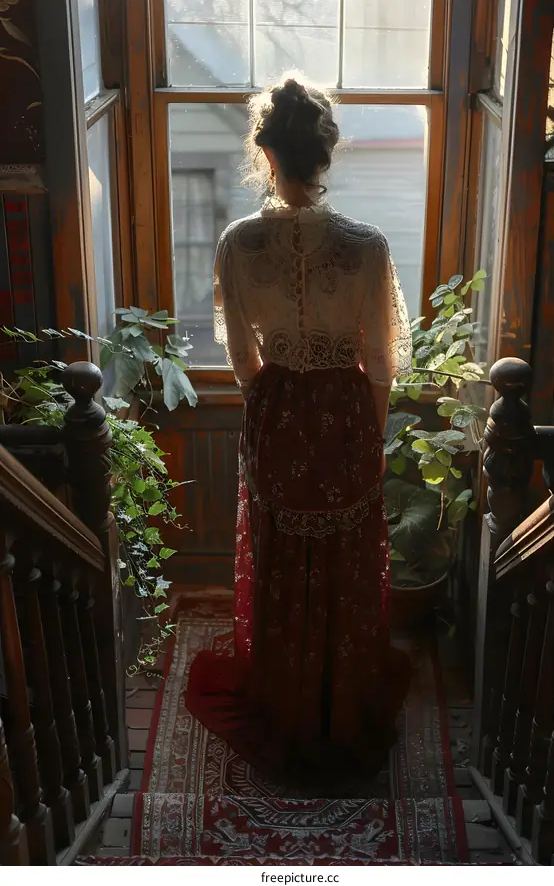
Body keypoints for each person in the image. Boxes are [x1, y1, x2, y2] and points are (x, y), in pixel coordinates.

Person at [185, 75, 413, 790]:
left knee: (284, 553)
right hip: (347, 416)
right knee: (344, 554)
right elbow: (380, 362)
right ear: (326, 154)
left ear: (268, 155)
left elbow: (244, 364)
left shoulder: (239, 244)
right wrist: (364, 440)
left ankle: (286, 694)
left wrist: (278, 411)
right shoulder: (367, 247)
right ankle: (337, 696)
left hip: (278, 413)